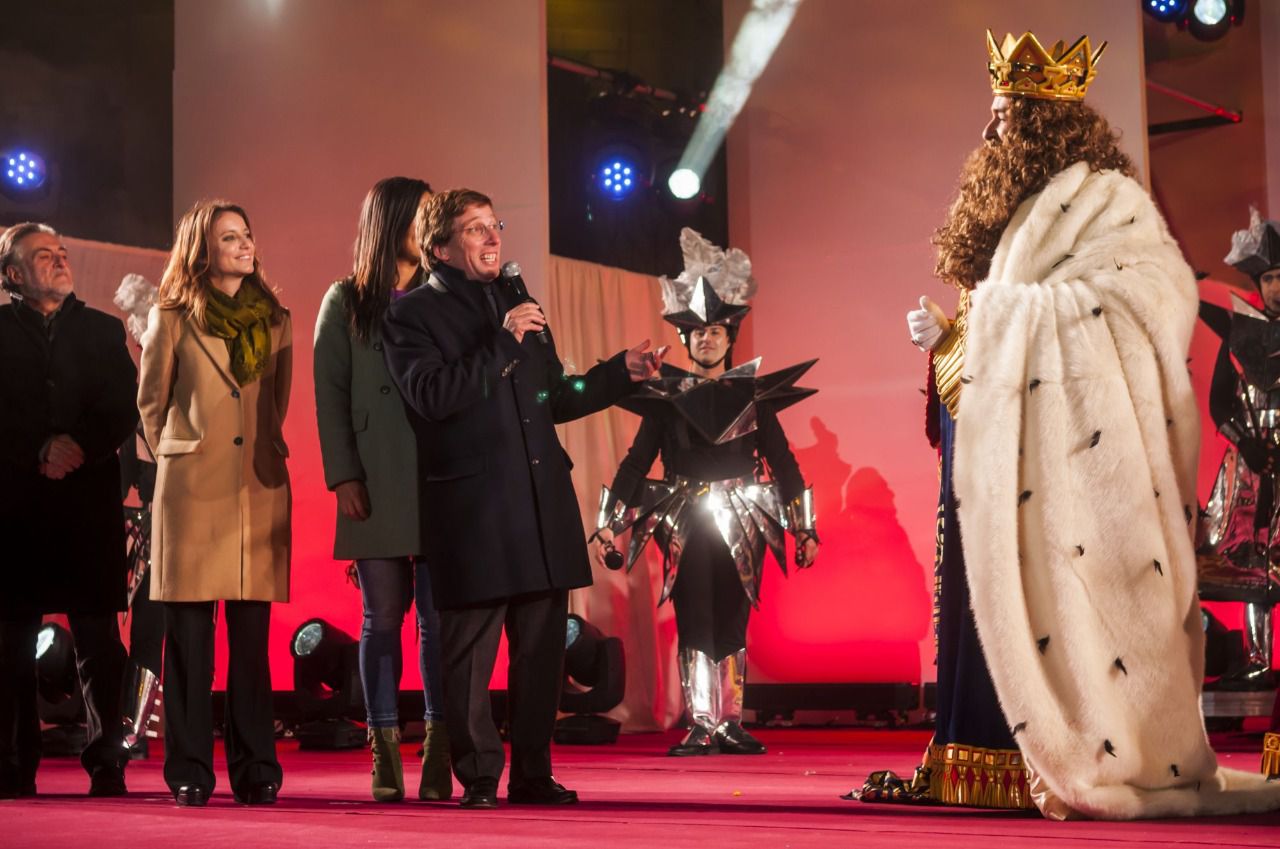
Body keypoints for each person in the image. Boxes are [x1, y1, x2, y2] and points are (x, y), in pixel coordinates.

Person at [861, 30, 1280, 818]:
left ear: (1046, 125)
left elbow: (1144, 300)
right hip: (1001, 452)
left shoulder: (1107, 202)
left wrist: (989, 320)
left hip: (1077, 466)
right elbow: (996, 344)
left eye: (1005, 116)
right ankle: (978, 751)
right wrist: (957, 342)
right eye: (991, 115)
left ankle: (1069, 751)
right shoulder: (1006, 218)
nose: (990, 132)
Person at [382, 188, 665, 809]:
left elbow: (554, 397)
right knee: (470, 659)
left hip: (539, 504)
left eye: (495, 226)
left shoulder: (518, 304)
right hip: (473, 514)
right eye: (475, 228)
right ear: (440, 247)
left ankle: (533, 773)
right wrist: (505, 342)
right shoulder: (411, 315)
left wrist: (620, 372)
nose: (492, 238)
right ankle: (480, 777)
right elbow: (432, 396)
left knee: (541, 655)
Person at [591, 228, 818, 757]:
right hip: (685, 518)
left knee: (734, 618)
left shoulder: (756, 398)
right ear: (688, 341)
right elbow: (635, 464)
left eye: (716, 331)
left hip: (746, 517)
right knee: (694, 615)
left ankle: (730, 720)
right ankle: (700, 721)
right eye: (699, 334)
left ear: (729, 338)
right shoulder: (666, 400)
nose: (708, 340)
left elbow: (783, 464)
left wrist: (805, 527)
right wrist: (609, 522)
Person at [138, 200, 292, 808]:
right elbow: (152, 405)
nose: (244, 245)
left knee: (252, 644)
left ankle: (257, 770)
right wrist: (181, 453)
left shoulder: (276, 318)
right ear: (203, 249)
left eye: (247, 235)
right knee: (190, 643)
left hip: (257, 488)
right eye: (230, 237)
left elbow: (276, 406)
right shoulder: (172, 315)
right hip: (191, 492)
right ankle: (190, 771)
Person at [314, 176, 451, 802]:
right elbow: (330, 395)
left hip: (442, 473)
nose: (428, 227)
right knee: (380, 619)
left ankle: (441, 744)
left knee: (439, 622)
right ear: (391, 220)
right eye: (421, 215)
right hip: (373, 477)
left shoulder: (443, 291)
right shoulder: (345, 299)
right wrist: (343, 474)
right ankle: (384, 745)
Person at [0, 222, 137, 798]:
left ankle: (107, 761)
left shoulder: (104, 331)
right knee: (9, 645)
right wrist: (38, 447)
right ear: (12, 275)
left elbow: (123, 406)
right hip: (14, 511)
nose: (58, 262)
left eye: (61, 253)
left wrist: (76, 445)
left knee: (99, 645)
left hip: (87, 509)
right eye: (42, 256)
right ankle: (11, 764)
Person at [1197, 208, 1280, 693]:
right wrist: (1244, 443)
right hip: (1249, 469)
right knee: (1251, 564)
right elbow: (1218, 403)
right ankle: (1254, 658)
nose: (1277, 287)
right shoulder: (1239, 329)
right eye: (1269, 277)